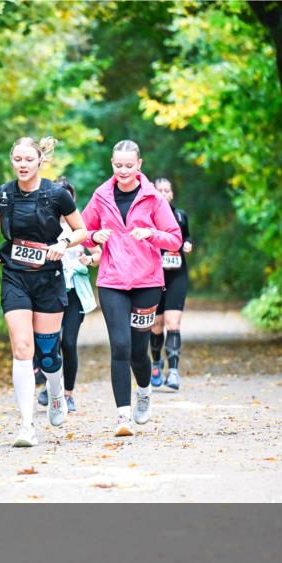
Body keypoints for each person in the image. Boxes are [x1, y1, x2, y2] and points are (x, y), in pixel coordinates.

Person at [0, 137, 88, 447]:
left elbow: (80, 230)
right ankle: (26, 426)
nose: (23, 164)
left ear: (40, 161)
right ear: (12, 161)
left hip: (48, 277)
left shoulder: (56, 195)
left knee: (48, 353)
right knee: (22, 348)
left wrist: (63, 244)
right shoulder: (1, 195)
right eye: (17, 159)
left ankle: (56, 393)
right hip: (14, 275)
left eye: (29, 159)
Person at [82, 140, 182, 437]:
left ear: (139, 165)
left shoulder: (153, 198)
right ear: (111, 163)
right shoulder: (101, 195)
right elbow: (83, 232)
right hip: (112, 281)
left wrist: (151, 233)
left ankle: (144, 390)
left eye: (128, 165)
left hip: (147, 283)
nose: (123, 171)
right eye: (117, 165)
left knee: (139, 351)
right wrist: (94, 236)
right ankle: (122, 417)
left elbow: (174, 239)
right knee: (120, 346)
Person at [35, 176, 101, 413]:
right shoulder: (43, 224)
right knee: (47, 342)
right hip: (48, 291)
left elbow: (99, 254)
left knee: (68, 342)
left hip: (74, 294)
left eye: (67, 195)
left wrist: (89, 258)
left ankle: (69, 394)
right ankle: (51, 386)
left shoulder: (80, 226)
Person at [150, 177, 192, 390]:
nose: (164, 194)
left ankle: (173, 371)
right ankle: (156, 363)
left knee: (173, 324)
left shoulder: (180, 215)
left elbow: (187, 237)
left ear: (172, 194)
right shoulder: (147, 217)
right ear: (153, 193)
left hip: (176, 275)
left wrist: (187, 244)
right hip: (153, 276)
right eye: (160, 190)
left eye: (167, 190)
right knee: (156, 326)